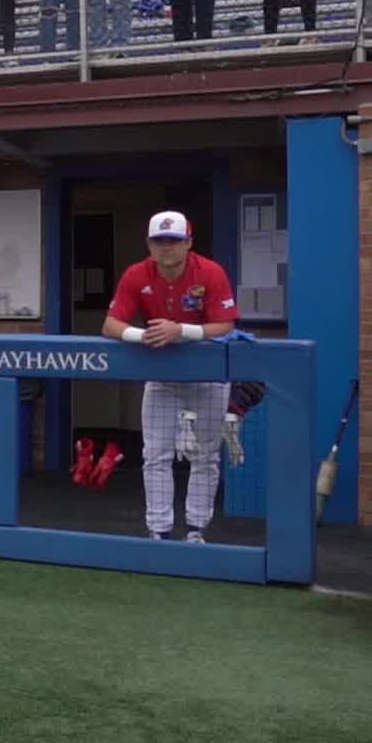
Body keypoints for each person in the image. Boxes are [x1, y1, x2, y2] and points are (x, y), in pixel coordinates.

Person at [102, 211, 237, 543]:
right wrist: (141, 336)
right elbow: (110, 325)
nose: (166, 248)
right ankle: (158, 529)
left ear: (188, 243)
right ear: (149, 244)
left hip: (208, 376)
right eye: (159, 241)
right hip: (162, 375)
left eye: (174, 241)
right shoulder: (137, 274)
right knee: (155, 453)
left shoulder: (209, 271)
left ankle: (196, 528)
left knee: (205, 454)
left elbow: (226, 325)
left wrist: (180, 331)